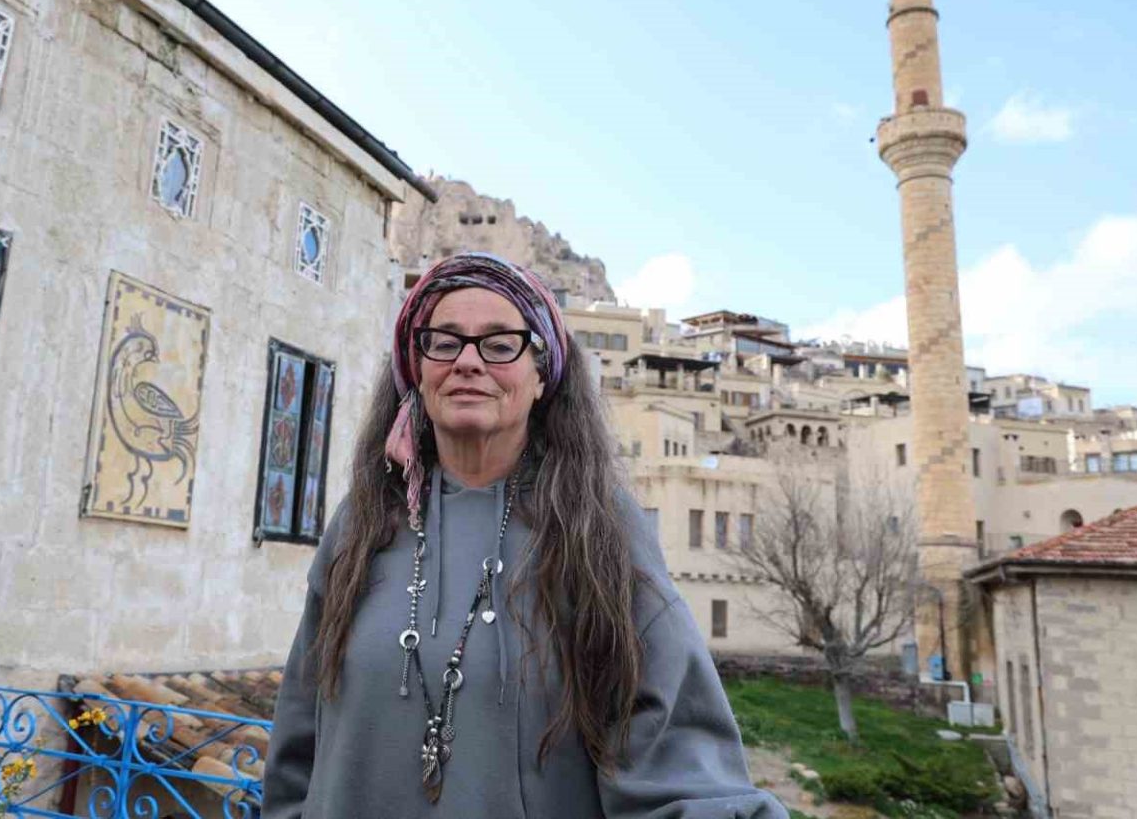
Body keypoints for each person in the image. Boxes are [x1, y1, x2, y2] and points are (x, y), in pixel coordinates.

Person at [263, 252, 786, 818]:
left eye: (499, 344)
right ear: (416, 369)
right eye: (444, 342)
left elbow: (674, 748)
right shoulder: (362, 521)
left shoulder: (599, 527)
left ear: (542, 375)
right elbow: (300, 736)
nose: (468, 361)